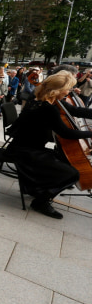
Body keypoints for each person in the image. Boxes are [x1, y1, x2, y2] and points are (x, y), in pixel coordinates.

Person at [5, 72, 92, 219]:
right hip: (25, 152)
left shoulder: (40, 100)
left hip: (22, 147)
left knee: (63, 160)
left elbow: (76, 110)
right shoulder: (48, 107)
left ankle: (36, 188)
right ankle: (40, 201)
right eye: (67, 89)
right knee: (72, 173)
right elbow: (65, 133)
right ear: (57, 90)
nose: (69, 92)